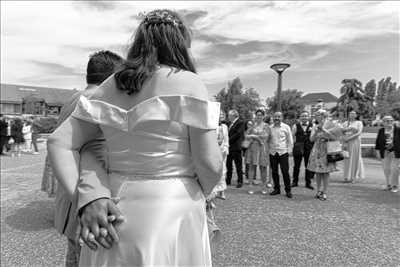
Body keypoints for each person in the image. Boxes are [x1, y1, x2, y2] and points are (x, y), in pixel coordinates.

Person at [48, 9, 222, 266]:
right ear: (181, 44)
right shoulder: (189, 82)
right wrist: (206, 190)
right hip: (171, 207)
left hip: (111, 212)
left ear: (138, 42)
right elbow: (209, 163)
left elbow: (58, 142)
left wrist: (86, 199)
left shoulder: (109, 86)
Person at [44, 50, 124, 266]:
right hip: (87, 198)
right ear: (113, 77)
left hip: (70, 198)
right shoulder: (96, 100)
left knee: (73, 257)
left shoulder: (73, 97)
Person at [307, 110, 338, 201]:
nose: (316, 116)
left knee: (326, 172)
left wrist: (323, 130)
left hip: (327, 150)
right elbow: (311, 139)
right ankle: (318, 190)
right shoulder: (315, 126)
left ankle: (324, 191)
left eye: (318, 115)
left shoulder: (331, 125)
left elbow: (334, 137)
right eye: (316, 115)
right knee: (318, 171)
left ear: (324, 116)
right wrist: (316, 131)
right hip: (317, 150)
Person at [268, 112, 293, 198]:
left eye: (279, 117)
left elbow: (290, 140)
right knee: (274, 172)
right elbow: (267, 140)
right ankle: (277, 189)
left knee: (285, 172)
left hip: (283, 152)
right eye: (275, 117)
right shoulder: (270, 127)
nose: (277, 118)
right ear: (273, 117)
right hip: (272, 152)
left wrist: (289, 151)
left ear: (282, 118)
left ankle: (288, 190)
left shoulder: (286, 127)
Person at [246, 109, 271, 195]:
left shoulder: (266, 126)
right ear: (255, 116)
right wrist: (253, 136)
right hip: (253, 148)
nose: (259, 116)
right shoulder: (252, 125)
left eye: (260, 115)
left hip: (263, 148)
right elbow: (246, 135)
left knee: (263, 168)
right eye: (257, 115)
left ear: (263, 116)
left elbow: (266, 136)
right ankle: (250, 186)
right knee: (252, 167)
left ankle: (263, 186)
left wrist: (254, 136)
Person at [375, 115, 399, 192]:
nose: (389, 122)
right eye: (387, 121)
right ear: (383, 122)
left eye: (391, 120)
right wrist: (378, 152)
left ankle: (395, 186)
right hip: (385, 152)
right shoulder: (381, 130)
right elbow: (378, 142)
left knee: (394, 169)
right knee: (386, 169)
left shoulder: (398, 130)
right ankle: (388, 185)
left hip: (396, 152)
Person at [291, 111, 315, 189]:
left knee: (308, 166)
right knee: (296, 166)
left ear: (308, 117)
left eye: (306, 116)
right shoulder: (295, 126)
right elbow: (292, 136)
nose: (304, 117)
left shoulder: (313, 125)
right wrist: (293, 146)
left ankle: (308, 183)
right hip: (298, 148)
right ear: (300, 117)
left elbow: (314, 137)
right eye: (303, 116)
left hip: (309, 148)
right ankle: (295, 182)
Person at [342, 111, 365, 183]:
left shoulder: (359, 123)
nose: (352, 115)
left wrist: (349, 138)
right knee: (347, 159)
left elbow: (359, 132)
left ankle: (354, 177)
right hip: (346, 143)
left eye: (353, 114)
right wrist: (345, 139)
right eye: (350, 113)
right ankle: (347, 176)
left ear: (356, 115)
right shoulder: (345, 123)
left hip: (355, 142)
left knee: (355, 158)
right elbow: (341, 131)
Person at [226, 109, 246, 188]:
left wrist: (227, 140)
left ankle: (240, 181)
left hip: (236, 147)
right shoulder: (229, 124)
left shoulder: (240, 123)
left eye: (229, 115)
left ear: (233, 115)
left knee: (238, 166)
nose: (228, 117)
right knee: (229, 165)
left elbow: (237, 134)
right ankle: (228, 180)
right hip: (229, 148)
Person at [214, 110, 229, 200]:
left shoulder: (225, 126)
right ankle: (214, 190)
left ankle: (222, 191)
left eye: (223, 114)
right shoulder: (212, 126)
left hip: (223, 151)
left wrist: (226, 148)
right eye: (220, 114)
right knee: (215, 170)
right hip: (214, 151)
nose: (221, 116)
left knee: (223, 171)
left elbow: (226, 139)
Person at [243, 120, 254, 184]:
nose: (249, 125)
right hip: (247, 149)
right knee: (247, 163)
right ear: (246, 125)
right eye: (248, 124)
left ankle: (253, 178)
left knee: (253, 163)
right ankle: (247, 177)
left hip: (254, 149)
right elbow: (245, 140)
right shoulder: (245, 131)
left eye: (251, 124)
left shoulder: (254, 131)